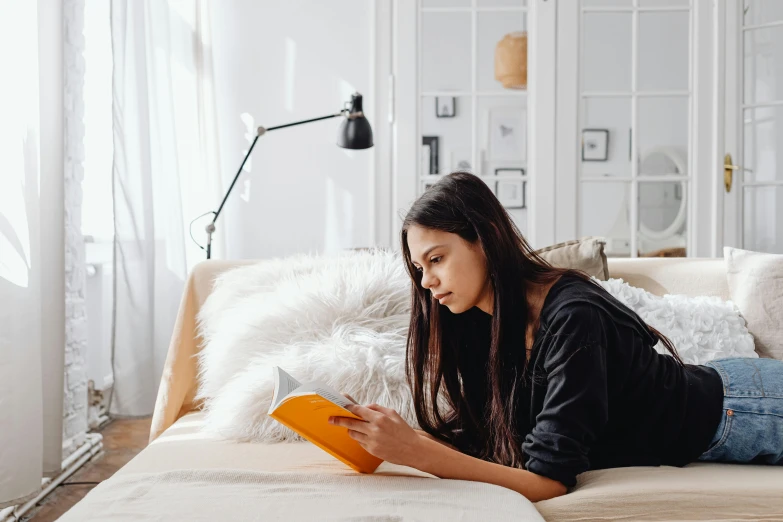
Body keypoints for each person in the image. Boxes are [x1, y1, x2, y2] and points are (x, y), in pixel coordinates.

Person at [329, 171, 783, 502]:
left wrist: (415, 452)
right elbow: (509, 443)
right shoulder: (480, 320)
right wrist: (396, 437)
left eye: (437, 258)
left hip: (746, 407)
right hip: (727, 390)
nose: (426, 281)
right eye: (418, 268)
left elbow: (548, 482)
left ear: (484, 239)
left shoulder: (573, 317)